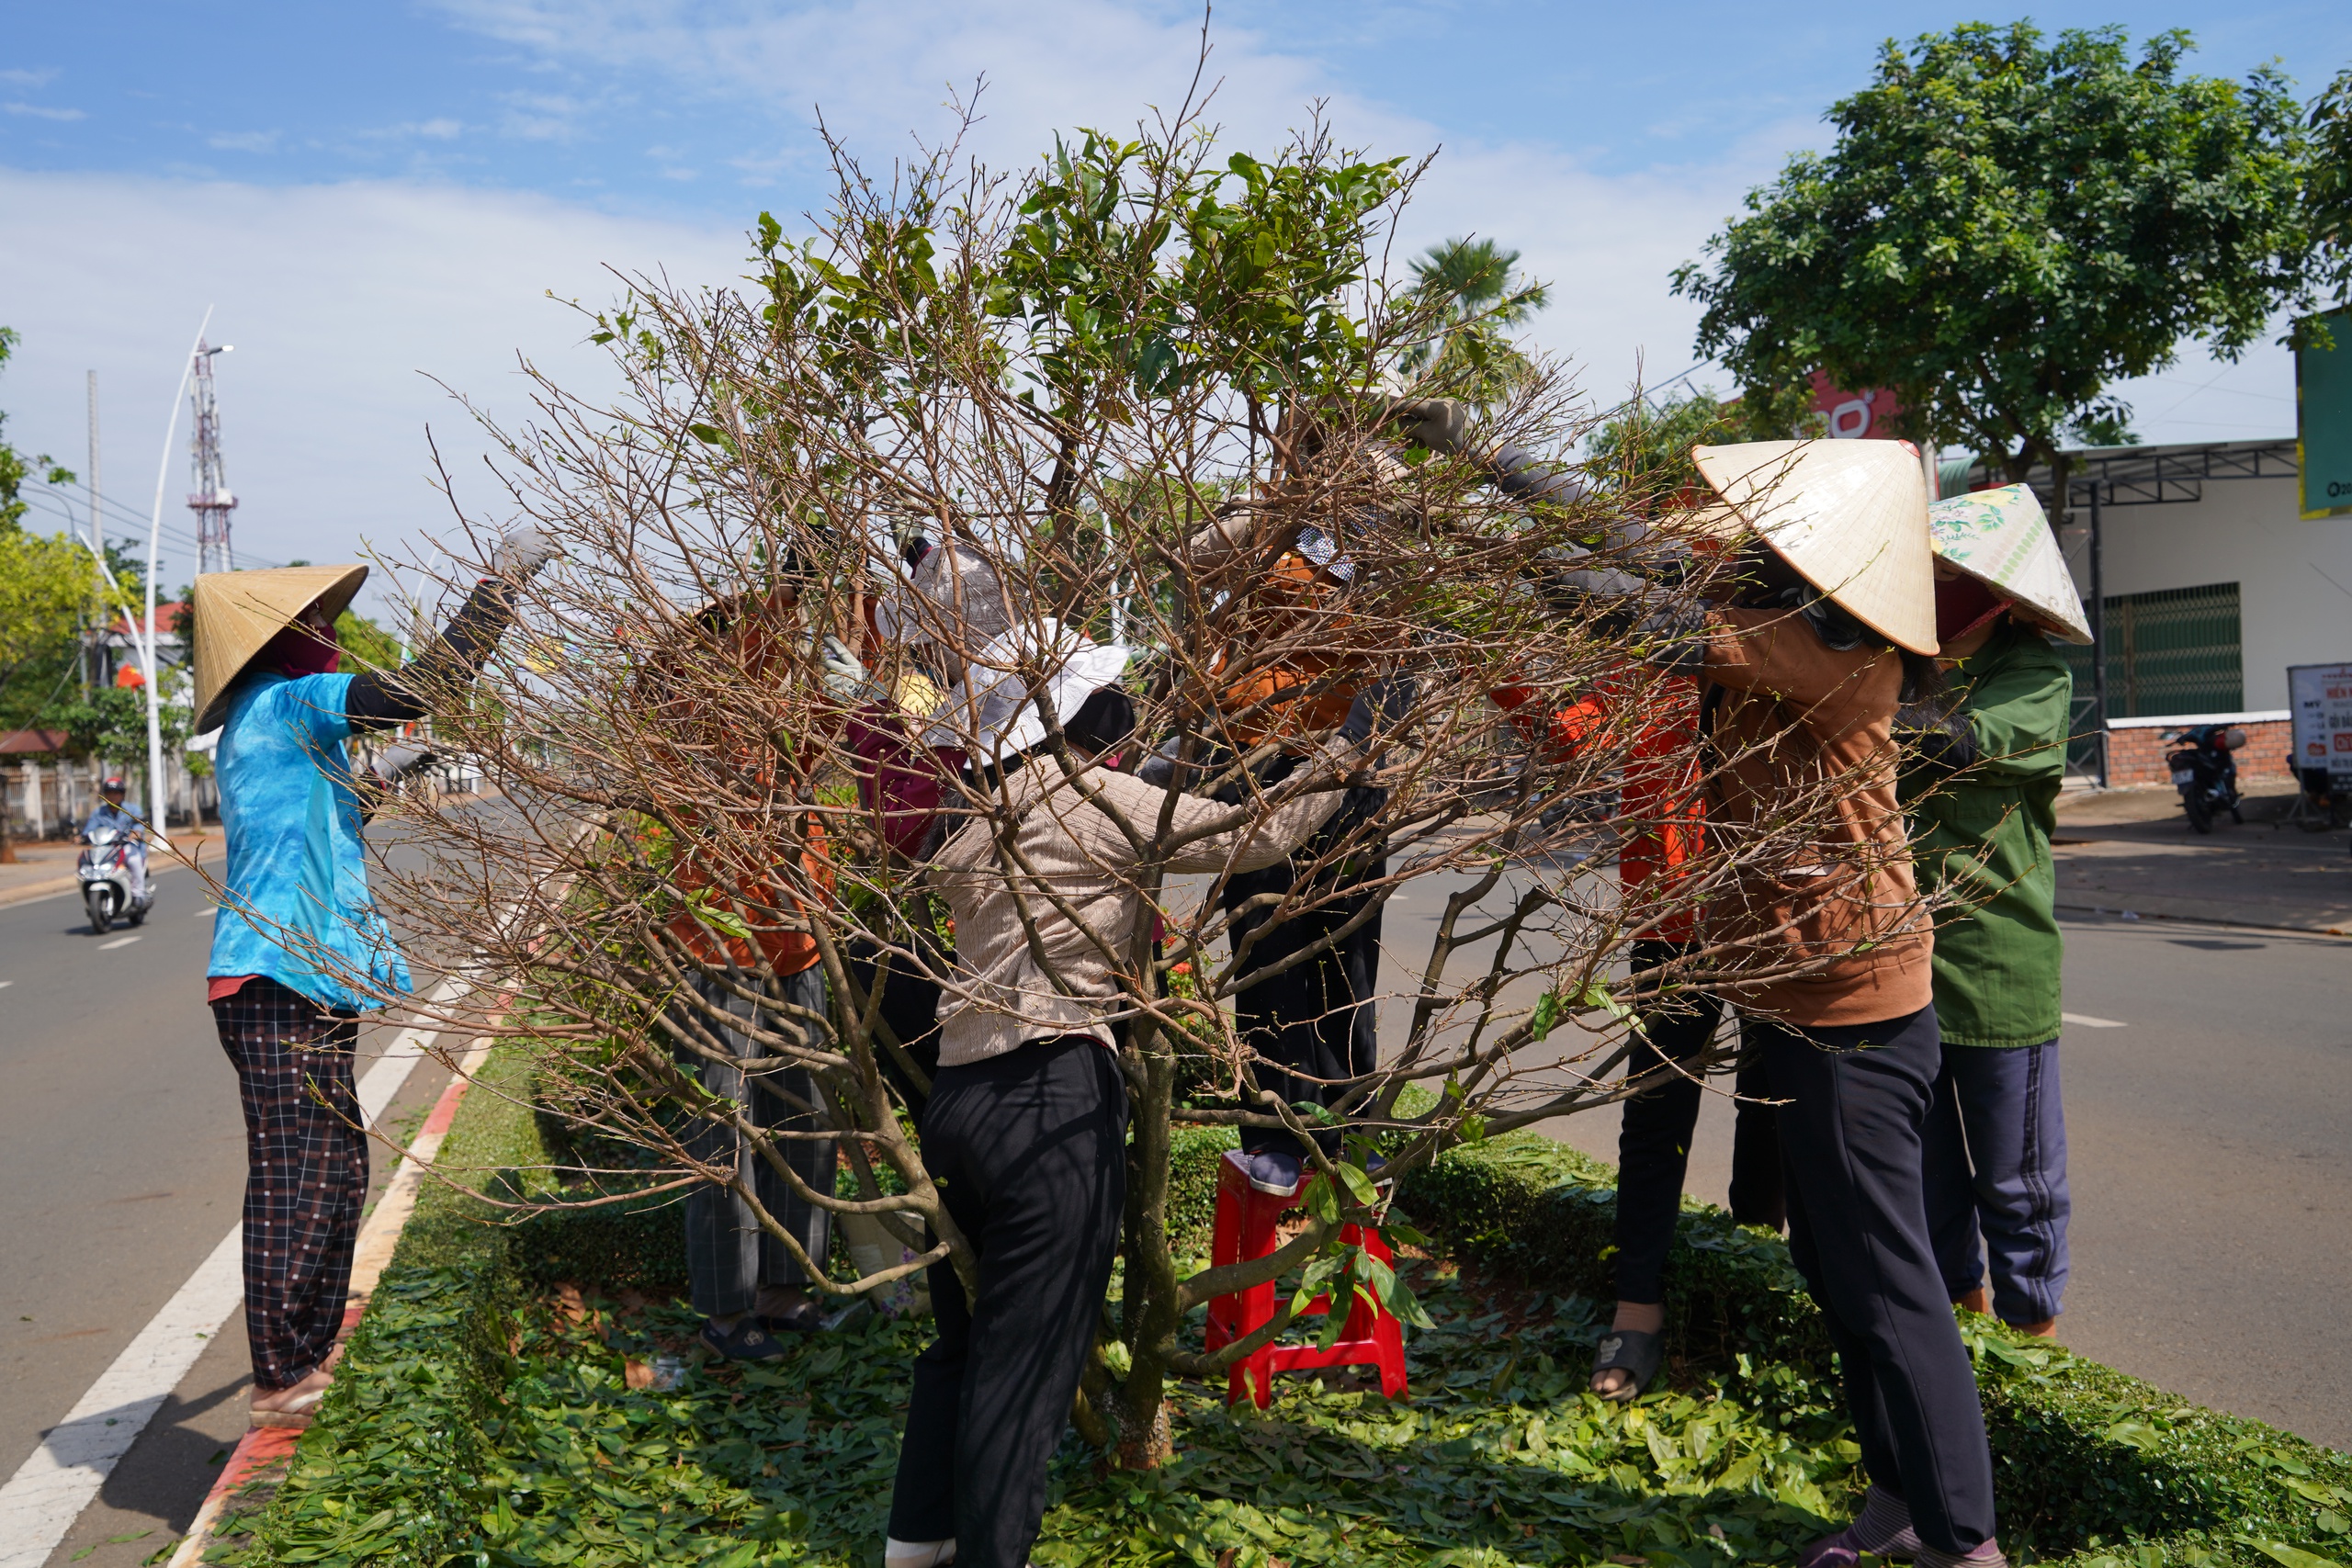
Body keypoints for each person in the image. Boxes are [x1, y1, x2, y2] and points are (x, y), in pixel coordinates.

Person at [1564, 440, 2004, 1567]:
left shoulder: (1821, 646)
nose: (1738, 542)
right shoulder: (1786, 617)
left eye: (1766, 531)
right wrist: (1488, 464)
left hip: (1849, 1012)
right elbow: (1628, 552)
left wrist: (1487, 541)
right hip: (1799, 999)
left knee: (1890, 1282)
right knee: (1836, 1265)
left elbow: (1621, 606)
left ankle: (1965, 1543)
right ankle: (1900, 1504)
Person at [192, 533, 551, 1427]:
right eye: (315, 622)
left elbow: (331, 810)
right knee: (294, 1170)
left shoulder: (269, 722)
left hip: (297, 976)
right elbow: (414, 688)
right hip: (278, 979)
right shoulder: (290, 700)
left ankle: (306, 1351)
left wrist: (393, 768)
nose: (329, 633)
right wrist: (498, 587)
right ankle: (280, 1374)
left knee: (334, 1164)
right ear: (279, 638)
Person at [1902, 484, 2084, 1339]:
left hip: (1998, 965)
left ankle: (2036, 1348)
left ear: (2000, 589)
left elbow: (1962, 742)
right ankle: (1965, 1353)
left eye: (1952, 573)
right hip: (1900, 965)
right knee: (1930, 1184)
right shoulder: (1903, 660)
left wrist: (1867, 709)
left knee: (2018, 1186)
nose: (1936, 586)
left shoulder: (2033, 670)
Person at [643, 584, 843, 1356]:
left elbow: (859, 718)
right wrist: (768, 612)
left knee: (805, 1123)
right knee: (721, 1131)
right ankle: (727, 1311)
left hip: (800, 938)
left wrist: (835, 599)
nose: (767, 650)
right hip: (720, 948)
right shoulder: (683, 709)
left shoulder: (793, 712)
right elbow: (657, 698)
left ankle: (787, 1291)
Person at [80, 776, 149, 901]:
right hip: (106, 848)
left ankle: (139, 894)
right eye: (109, 793)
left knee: (134, 860)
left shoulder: (133, 809)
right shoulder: (98, 812)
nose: (112, 796)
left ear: (123, 794)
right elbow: (89, 830)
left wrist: (136, 833)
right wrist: (81, 837)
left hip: (127, 846)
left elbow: (139, 824)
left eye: (116, 793)